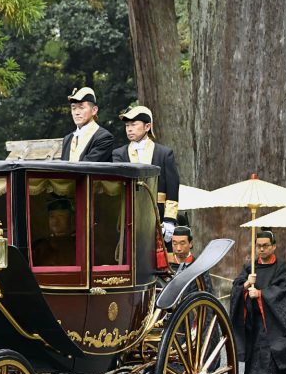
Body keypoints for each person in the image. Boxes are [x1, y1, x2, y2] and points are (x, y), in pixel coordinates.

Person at [229, 231, 286, 374]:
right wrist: (246, 285)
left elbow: (284, 291)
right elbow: (236, 288)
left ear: (274, 246)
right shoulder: (250, 268)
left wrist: (261, 294)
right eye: (258, 246)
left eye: (265, 246)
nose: (261, 249)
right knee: (256, 352)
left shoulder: (282, 268)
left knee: (272, 352)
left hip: (273, 320)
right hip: (254, 320)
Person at [112, 105, 181, 243]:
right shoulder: (118, 154)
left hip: (159, 216)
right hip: (130, 216)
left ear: (147, 126)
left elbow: (172, 188)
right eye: (127, 125)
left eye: (133, 124)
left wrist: (169, 220)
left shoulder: (164, 153)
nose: (129, 129)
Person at [61, 87, 114, 162]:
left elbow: (88, 168)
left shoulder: (104, 138)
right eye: (73, 108)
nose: (76, 112)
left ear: (94, 110)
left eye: (81, 107)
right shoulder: (67, 139)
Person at [31, 197, 77, 267]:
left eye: (61, 216)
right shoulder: (39, 247)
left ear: (71, 219)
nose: (55, 221)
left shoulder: (79, 244)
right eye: (52, 217)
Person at [169, 226, 213, 294]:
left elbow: (207, 294)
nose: (178, 248)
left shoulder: (199, 268)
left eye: (182, 243)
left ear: (190, 244)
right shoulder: (167, 266)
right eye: (175, 243)